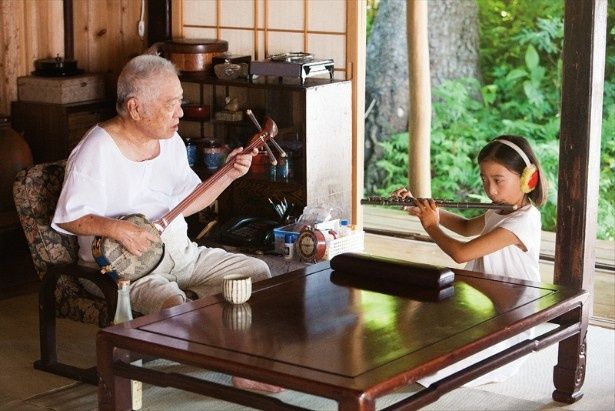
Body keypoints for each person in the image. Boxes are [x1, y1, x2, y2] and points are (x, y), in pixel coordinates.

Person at [392, 135, 547, 386]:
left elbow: (461, 252)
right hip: (481, 306)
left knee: (431, 368)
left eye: (498, 180)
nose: (491, 190)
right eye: (485, 180)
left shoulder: (523, 221)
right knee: (410, 337)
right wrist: (420, 207)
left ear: (528, 178)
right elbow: (465, 227)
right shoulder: (500, 208)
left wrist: (431, 225)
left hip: (509, 318)